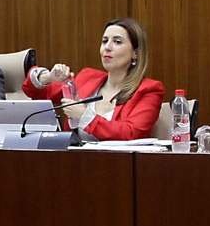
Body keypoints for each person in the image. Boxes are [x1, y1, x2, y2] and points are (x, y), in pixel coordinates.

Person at [23, 19, 165, 140]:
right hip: (76, 162)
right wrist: (50, 77)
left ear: (136, 53)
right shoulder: (88, 77)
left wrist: (85, 116)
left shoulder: (149, 90)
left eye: (117, 42)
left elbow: (131, 133)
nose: (107, 48)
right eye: (104, 41)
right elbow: (34, 91)